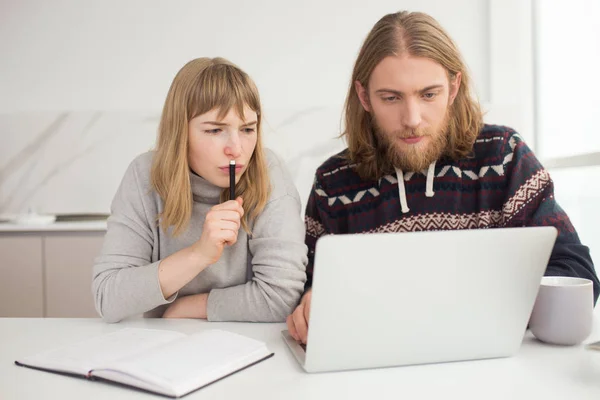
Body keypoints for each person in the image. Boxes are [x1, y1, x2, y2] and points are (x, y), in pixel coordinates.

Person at [286, 11, 599, 343]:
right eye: (391, 98)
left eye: (428, 94)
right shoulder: (333, 183)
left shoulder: (504, 156)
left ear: (453, 87)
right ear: (364, 97)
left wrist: (479, 309)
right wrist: (308, 304)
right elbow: (306, 286)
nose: (412, 119)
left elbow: (575, 272)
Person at [93, 57, 308, 323]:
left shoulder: (269, 173)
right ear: (179, 132)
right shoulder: (144, 176)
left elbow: (281, 298)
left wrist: (189, 308)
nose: (236, 149)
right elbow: (108, 298)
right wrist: (199, 254)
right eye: (215, 130)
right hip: (164, 348)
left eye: (247, 129)